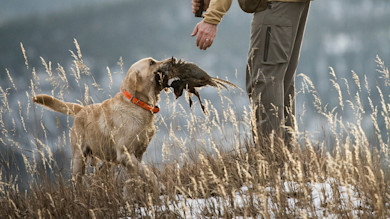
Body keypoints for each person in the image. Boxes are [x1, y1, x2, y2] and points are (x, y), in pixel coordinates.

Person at [192, 0, 311, 144]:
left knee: (265, 82)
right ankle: (285, 158)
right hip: (290, 6)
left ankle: (269, 158)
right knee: (279, 81)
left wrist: (212, 17)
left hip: (274, 6)